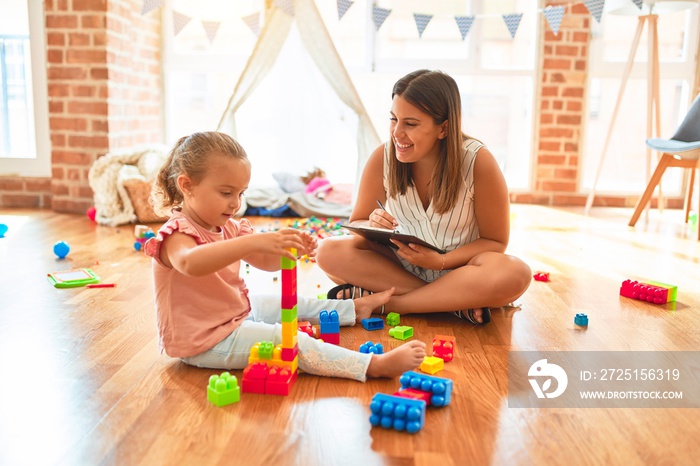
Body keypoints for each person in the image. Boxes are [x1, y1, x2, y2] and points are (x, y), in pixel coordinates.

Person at [145, 131, 425, 382]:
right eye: (226, 192)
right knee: (291, 340)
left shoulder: (228, 227)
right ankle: (370, 366)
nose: (235, 203)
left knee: (279, 303)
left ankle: (354, 309)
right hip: (204, 342)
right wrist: (254, 241)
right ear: (187, 185)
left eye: (241, 193)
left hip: (232, 317)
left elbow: (264, 263)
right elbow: (190, 263)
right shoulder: (175, 234)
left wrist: (290, 252)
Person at [316, 70, 532, 325]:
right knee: (329, 251)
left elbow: (495, 241)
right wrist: (372, 222)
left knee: (515, 273)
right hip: (399, 269)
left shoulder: (478, 161)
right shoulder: (382, 157)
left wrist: (441, 261)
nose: (397, 132)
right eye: (394, 119)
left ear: (444, 128)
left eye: (410, 124)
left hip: (464, 273)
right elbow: (358, 226)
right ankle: (452, 304)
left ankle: (391, 304)